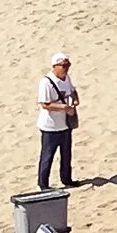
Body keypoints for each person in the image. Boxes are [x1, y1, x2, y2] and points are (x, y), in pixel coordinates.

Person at [36, 52, 80, 190]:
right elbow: (45, 104)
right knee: (47, 156)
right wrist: (64, 107)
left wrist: (75, 99)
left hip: (65, 125)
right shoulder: (46, 82)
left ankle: (66, 179)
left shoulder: (66, 78)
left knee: (66, 155)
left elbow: (72, 91)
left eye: (67, 65)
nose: (66, 68)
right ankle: (43, 184)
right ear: (55, 66)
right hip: (50, 127)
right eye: (63, 66)